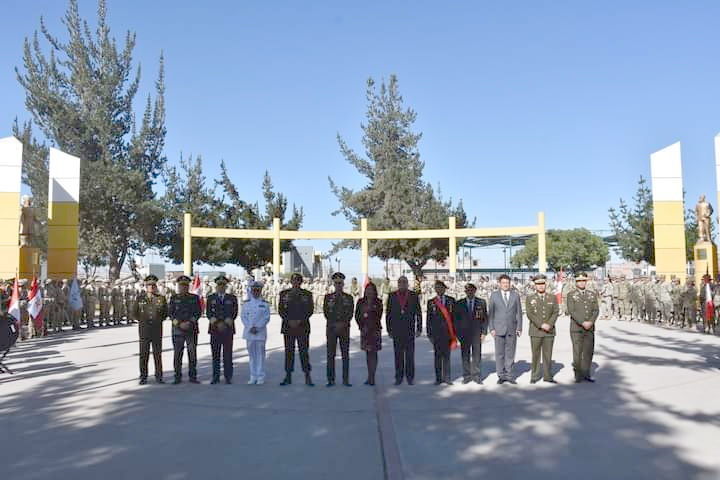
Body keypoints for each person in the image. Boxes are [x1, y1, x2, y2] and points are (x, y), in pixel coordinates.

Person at [278, 273, 315, 386]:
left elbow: (310, 310)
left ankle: (307, 375)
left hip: (302, 326)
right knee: (289, 352)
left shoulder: (307, 294)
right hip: (288, 327)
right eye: (293, 281)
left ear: (301, 282)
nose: (295, 283)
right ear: (291, 282)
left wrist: (299, 321)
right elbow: (280, 310)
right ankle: (288, 376)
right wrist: (289, 320)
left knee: (304, 352)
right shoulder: (284, 294)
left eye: (298, 281)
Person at [386, 276, 422, 385]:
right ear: (397, 284)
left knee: (410, 355)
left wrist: (419, 328)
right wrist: (389, 329)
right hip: (397, 330)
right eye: (400, 282)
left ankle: (410, 377)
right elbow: (388, 314)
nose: (402, 284)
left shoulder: (413, 295)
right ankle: (399, 376)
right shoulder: (392, 296)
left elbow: (418, 313)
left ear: (407, 283)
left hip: (409, 329)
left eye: (404, 282)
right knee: (398, 355)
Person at [488, 274, 523, 385]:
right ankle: (501, 375)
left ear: (510, 283)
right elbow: (491, 313)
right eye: (503, 283)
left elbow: (519, 312)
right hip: (498, 329)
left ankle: (509, 375)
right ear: (499, 284)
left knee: (510, 353)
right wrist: (491, 328)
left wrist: (519, 327)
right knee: (499, 354)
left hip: (512, 328)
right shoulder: (494, 296)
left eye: (507, 283)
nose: (505, 285)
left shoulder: (515, 295)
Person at [134, 275, 168, 385]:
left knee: (157, 354)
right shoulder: (140, 298)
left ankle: (159, 376)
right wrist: (143, 321)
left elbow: (165, 313)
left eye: (153, 285)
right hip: (144, 330)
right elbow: (135, 313)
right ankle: (143, 376)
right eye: (149, 285)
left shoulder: (161, 298)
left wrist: (157, 321)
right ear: (145, 286)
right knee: (144, 354)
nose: (151, 288)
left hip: (157, 329)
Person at [525, 275, 559, 384]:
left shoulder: (552, 297)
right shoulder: (530, 298)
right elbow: (530, 314)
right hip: (536, 330)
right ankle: (534, 376)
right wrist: (541, 325)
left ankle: (548, 376)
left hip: (549, 331)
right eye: (538, 284)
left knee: (548, 354)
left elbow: (555, 312)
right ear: (535, 286)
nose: (540, 286)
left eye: (542, 284)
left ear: (546, 284)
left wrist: (549, 324)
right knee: (535, 355)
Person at [168, 275, 202, 384]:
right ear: (178, 286)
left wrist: (190, 322)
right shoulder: (174, 298)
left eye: (186, 286)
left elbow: (198, 312)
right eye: (181, 285)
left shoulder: (194, 298)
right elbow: (171, 314)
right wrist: (179, 324)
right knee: (178, 354)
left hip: (191, 329)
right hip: (178, 330)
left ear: (188, 286)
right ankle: (177, 376)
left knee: (192, 354)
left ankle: (193, 376)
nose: (183, 288)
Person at [323, 272, 355, 387]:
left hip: (344, 329)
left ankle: (345, 379)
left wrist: (342, 324)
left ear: (343, 284)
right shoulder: (327, 297)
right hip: (331, 329)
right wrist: (335, 324)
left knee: (345, 354)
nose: (338, 285)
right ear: (333, 284)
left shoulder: (349, 298)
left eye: (340, 283)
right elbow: (326, 313)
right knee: (330, 354)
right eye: (336, 283)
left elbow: (351, 313)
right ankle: (330, 379)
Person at [566, 272, 599, 383]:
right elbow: (572, 310)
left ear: (586, 281)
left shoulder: (592, 294)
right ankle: (578, 374)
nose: (581, 283)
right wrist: (582, 322)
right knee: (577, 352)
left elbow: (596, 310)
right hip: (576, 328)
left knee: (588, 351)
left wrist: (590, 321)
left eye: (583, 281)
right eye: (579, 281)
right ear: (576, 282)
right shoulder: (571, 295)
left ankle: (586, 373)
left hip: (589, 328)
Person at [207, 275, 239, 384]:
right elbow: (208, 313)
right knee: (215, 354)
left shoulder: (232, 298)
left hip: (228, 329)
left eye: (223, 285)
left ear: (226, 286)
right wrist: (217, 323)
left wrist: (226, 322)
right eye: (219, 285)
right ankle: (215, 376)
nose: (221, 287)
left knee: (228, 354)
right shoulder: (211, 298)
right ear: (216, 286)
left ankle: (228, 376)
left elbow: (234, 312)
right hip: (215, 329)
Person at [454, 283, 488, 384]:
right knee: (465, 355)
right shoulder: (459, 303)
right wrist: (457, 334)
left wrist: (484, 332)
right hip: (464, 334)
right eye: (468, 291)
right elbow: (456, 320)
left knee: (477, 355)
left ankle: (477, 376)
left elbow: (485, 318)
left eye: (471, 290)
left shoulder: (481, 302)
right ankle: (466, 376)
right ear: (465, 292)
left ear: (475, 291)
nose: (470, 292)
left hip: (477, 333)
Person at [426, 280, 457, 386]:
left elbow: (455, 318)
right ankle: (438, 378)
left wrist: (455, 333)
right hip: (436, 334)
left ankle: (447, 378)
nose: (439, 289)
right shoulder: (431, 302)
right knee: (437, 357)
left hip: (448, 333)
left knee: (447, 357)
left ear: (445, 289)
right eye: (437, 288)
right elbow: (428, 319)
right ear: (435, 289)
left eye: (441, 287)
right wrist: (429, 334)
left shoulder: (451, 301)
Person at [241, 280, 270, 384]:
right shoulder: (246, 304)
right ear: (251, 291)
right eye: (254, 290)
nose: (256, 292)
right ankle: (253, 375)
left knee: (260, 355)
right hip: (249, 332)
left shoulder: (265, 304)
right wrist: (250, 327)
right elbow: (243, 317)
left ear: (261, 291)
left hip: (260, 332)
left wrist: (257, 327)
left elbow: (266, 318)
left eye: (258, 290)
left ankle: (260, 375)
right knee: (252, 355)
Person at [355, 282, 383, 386]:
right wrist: (361, 326)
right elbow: (357, 315)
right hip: (365, 330)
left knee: (374, 353)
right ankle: (369, 375)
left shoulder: (378, 302)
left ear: (375, 291)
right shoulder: (360, 302)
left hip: (375, 330)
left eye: (371, 290)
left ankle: (372, 376)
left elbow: (378, 315)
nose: (369, 292)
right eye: (368, 290)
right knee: (368, 353)